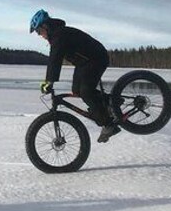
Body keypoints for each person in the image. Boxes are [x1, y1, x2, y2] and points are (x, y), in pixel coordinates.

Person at [29, 9, 120, 143]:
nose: (39, 34)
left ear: (45, 26)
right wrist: (49, 80)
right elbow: (54, 59)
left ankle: (108, 124)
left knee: (86, 92)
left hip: (96, 58)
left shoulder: (59, 36)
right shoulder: (56, 35)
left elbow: (55, 59)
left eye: (38, 31)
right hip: (85, 62)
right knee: (77, 90)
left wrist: (49, 81)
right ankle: (109, 103)